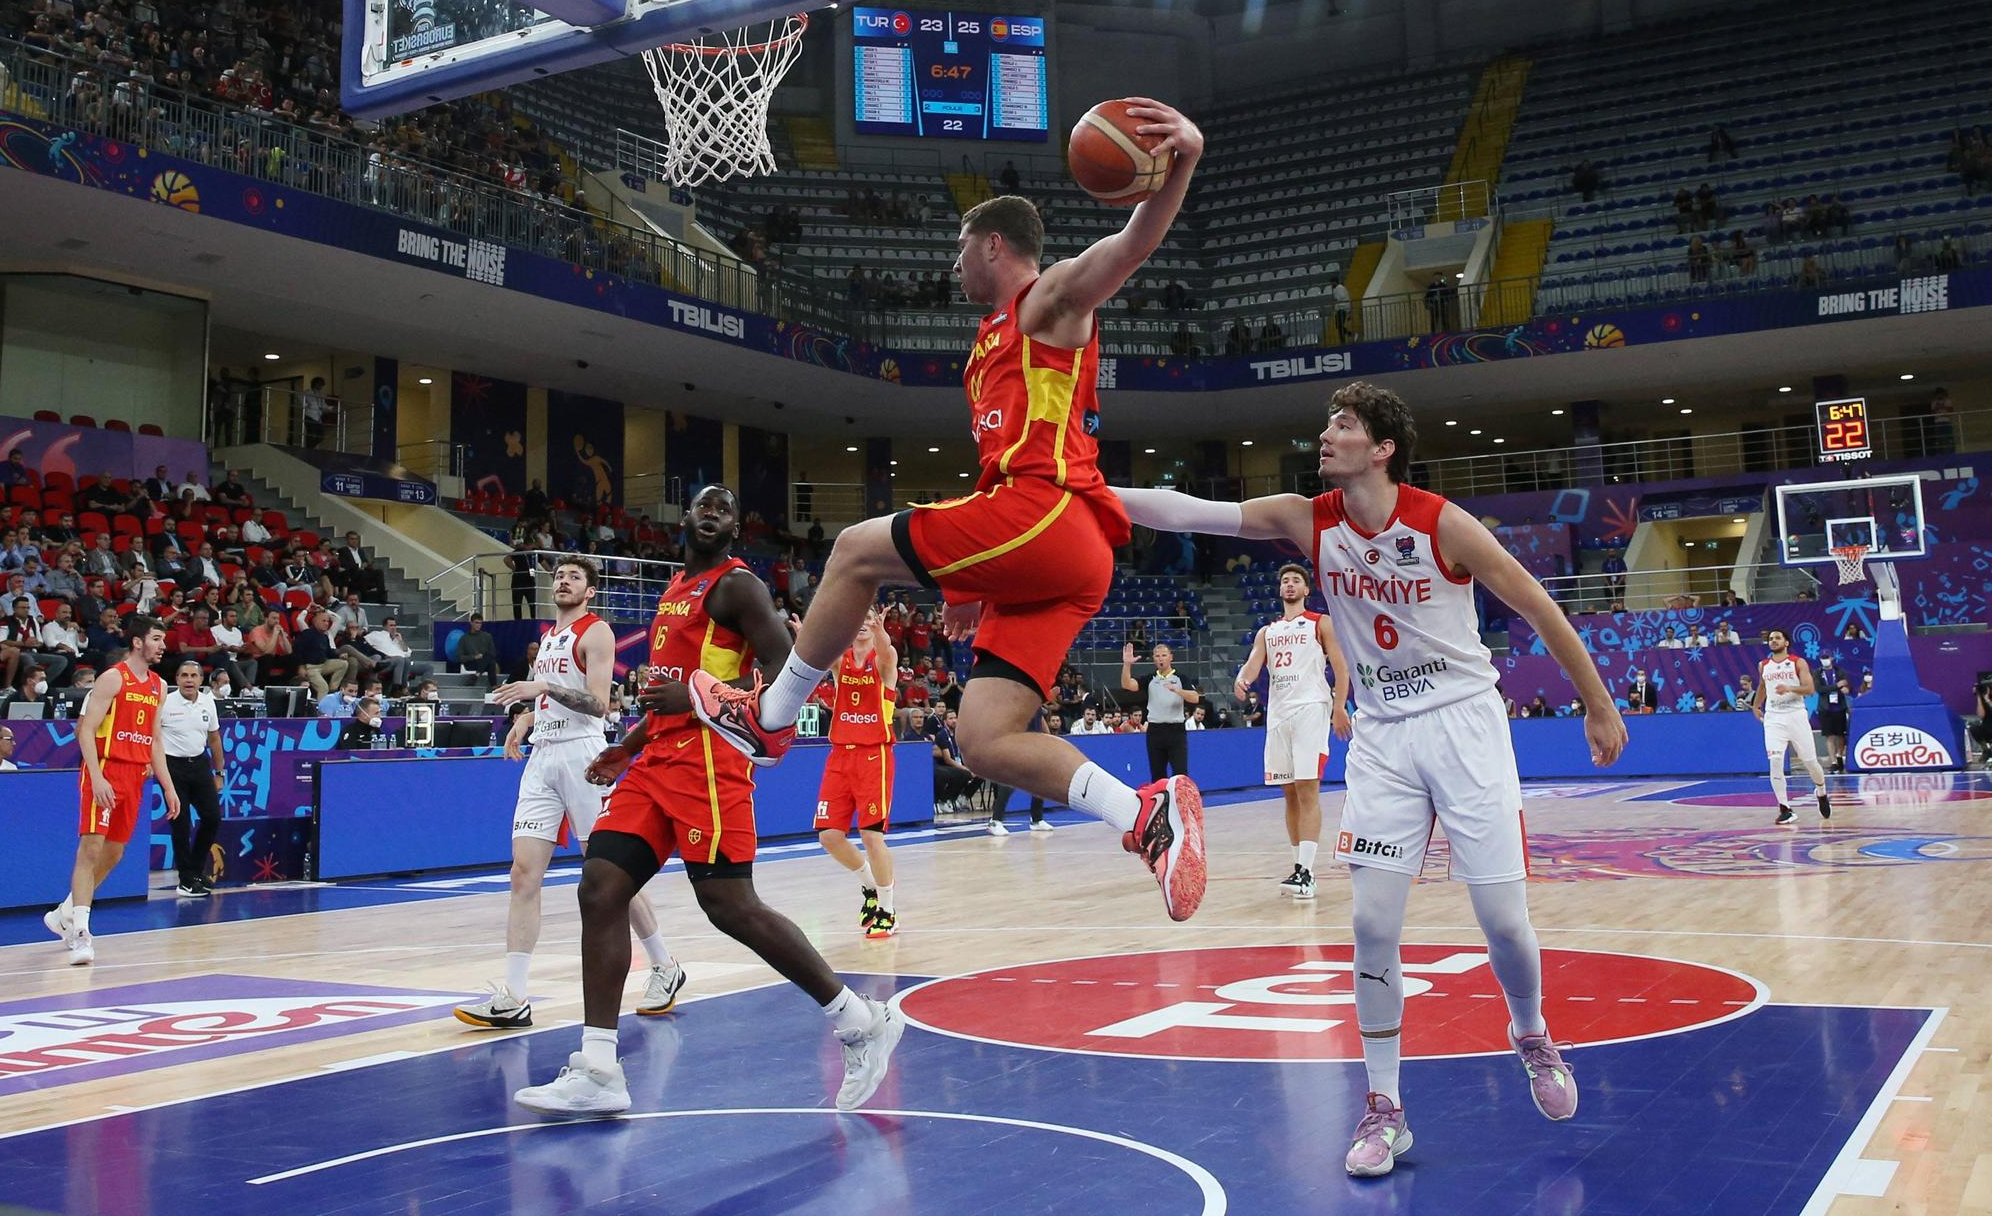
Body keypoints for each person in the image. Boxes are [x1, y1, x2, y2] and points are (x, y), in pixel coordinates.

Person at [687, 102, 1211, 924]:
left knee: (858, 550)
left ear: (993, 244)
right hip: (1049, 551)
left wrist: (1182, 162)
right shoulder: (986, 344)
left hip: (1053, 514)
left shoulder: (1046, 303)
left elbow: (1128, 248)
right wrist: (966, 584)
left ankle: (771, 716)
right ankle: (1146, 813)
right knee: (984, 737)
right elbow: (993, 469)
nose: (953, 259)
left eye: (960, 245)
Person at [1100, 380, 1626, 1178]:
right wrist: (1088, 494)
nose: (1327, 433)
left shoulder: (1442, 522)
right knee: (1373, 927)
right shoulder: (1306, 518)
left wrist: (1596, 701)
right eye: (1328, 422)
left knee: (1504, 922)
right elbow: (1188, 510)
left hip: (1465, 725)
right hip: (1382, 737)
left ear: (1381, 447)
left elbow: (1538, 604)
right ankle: (1386, 1107)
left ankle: (1530, 1030)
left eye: (1343, 424)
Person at [513, 487, 902, 1118]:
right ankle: (599, 1067)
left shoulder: (738, 587)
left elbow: (786, 670)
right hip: (656, 761)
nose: (714, 511)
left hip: (709, 763)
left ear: (736, 528)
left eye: (727, 507)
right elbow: (668, 692)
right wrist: (629, 747)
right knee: (600, 886)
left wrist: (702, 700)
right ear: (686, 518)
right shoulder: (675, 589)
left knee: (729, 904)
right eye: (705, 504)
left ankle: (860, 1020)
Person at [455, 557, 684, 1029]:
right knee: (523, 874)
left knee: (607, 871)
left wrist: (542, 687)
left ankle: (664, 965)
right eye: (559, 575)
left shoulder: (596, 632)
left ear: (590, 591)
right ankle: (514, 995)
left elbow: (597, 706)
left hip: (583, 757)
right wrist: (527, 717)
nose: (563, 581)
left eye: (574, 577)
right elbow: (557, 700)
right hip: (544, 756)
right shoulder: (550, 639)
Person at [44, 616, 178, 967]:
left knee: (115, 853)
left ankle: (65, 911)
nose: (163, 646)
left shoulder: (159, 686)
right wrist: (98, 776)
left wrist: (168, 785)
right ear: (137, 642)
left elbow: (155, 741)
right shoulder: (112, 678)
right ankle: (80, 932)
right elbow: (84, 730)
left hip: (135, 776)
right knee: (90, 848)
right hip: (104, 770)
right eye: (157, 639)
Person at [1232, 563, 1351, 899]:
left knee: (1307, 788)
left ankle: (1309, 872)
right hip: (1279, 715)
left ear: (1305, 589)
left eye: (1296, 580)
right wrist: (1242, 681)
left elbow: (1342, 668)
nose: (1289, 584)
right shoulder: (1267, 632)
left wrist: (1339, 707)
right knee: (1289, 792)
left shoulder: (1320, 623)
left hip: (1311, 709)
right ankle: (1298, 866)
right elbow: (1253, 663)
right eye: (1284, 580)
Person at [814, 608, 901, 939]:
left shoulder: (884, 661)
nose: (863, 623)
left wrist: (879, 631)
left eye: (870, 618)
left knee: (871, 835)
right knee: (829, 836)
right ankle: (870, 888)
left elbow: (886, 650)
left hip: (873, 755)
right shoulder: (841, 661)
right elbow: (823, 651)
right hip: (839, 755)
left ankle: (888, 910)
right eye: (858, 617)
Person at [158, 660, 224, 897]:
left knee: (212, 818)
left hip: (199, 764)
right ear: (176, 680)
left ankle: (196, 870)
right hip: (172, 766)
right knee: (181, 823)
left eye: (193, 676)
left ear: (200, 680)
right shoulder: (165, 702)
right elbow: (153, 737)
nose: (189, 680)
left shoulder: (208, 702)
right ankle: (186, 880)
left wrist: (219, 772)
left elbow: (214, 738)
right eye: (184, 675)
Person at [1757, 629, 1828, 824]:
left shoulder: (1798, 662)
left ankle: (1821, 790)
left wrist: (1789, 688)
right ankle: (1785, 808)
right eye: (1770, 639)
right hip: (1774, 718)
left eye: (1777, 638)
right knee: (1775, 761)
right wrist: (1756, 706)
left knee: (1810, 762)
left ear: (1786, 642)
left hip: (1796, 715)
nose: (1773, 641)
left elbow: (1810, 689)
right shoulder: (1763, 665)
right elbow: (1762, 687)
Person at [1117, 640, 1198, 782]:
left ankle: (1181, 803)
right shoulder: (1150, 678)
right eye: (1157, 655)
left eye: (1164, 655)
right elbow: (1127, 684)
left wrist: (1177, 690)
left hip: (1175, 730)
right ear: (1153, 659)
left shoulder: (1181, 677)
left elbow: (1195, 698)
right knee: (1157, 774)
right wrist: (1127, 664)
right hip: (1155, 731)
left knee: (1181, 774)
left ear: (1171, 657)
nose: (1160, 658)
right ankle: (1161, 803)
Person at [1815, 653, 1851, 771]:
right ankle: (1833, 761)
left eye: (1827, 657)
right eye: (1823, 658)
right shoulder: (1817, 673)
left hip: (1839, 707)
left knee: (1841, 734)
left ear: (1831, 658)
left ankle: (1839, 755)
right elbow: (1820, 689)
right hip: (1825, 708)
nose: (1825, 660)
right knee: (1829, 736)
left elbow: (1847, 685)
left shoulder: (1840, 671)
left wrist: (1846, 689)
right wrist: (1836, 685)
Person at [456, 613, 500, 689]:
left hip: (485, 662)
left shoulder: (487, 636)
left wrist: (483, 657)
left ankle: (476, 675)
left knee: (489, 659)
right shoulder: (464, 638)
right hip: (471, 663)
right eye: (476, 622)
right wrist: (474, 657)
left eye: (480, 623)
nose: (478, 625)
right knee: (489, 660)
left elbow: (493, 653)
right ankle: (494, 685)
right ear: (471, 623)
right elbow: (460, 657)